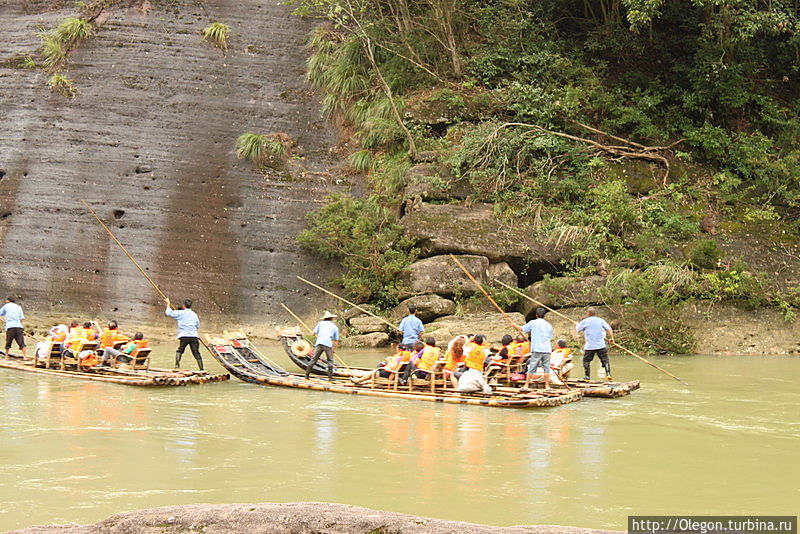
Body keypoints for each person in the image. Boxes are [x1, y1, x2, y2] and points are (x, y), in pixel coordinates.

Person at [165, 297, 203, 370]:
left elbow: (168, 313)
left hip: (184, 336)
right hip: (193, 336)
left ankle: (177, 366)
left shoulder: (180, 313)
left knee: (180, 350)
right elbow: (197, 326)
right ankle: (201, 369)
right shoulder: (194, 314)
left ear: (183, 306)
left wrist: (168, 303)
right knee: (196, 353)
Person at [576, 306, 614, 380]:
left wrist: (577, 324)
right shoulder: (600, 320)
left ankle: (587, 376)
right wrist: (612, 338)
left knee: (586, 360)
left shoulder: (584, 321)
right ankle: (608, 373)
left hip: (590, 346)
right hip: (601, 345)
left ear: (588, 313)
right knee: (605, 359)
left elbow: (578, 329)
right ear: (595, 313)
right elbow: (609, 329)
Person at [522, 307, 554, 390]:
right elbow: (550, 337)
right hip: (547, 349)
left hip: (537, 349)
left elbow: (523, 329)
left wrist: (514, 325)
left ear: (536, 315)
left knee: (532, 367)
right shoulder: (549, 325)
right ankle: (547, 386)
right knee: (546, 368)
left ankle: (526, 385)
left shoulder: (533, 322)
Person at [305, 311, 339, 381]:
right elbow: (336, 341)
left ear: (324, 318)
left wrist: (313, 334)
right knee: (330, 361)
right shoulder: (334, 327)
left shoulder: (320, 323)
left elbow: (313, 333)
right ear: (331, 318)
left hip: (319, 343)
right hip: (328, 344)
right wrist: (334, 349)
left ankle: (307, 376)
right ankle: (330, 378)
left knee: (314, 359)